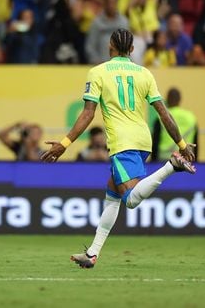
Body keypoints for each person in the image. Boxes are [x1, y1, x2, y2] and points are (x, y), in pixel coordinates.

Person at [41, 29, 196, 269]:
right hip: (143, 141)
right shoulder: (144, 74)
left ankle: (171, 166)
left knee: (131, 200)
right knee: (112, 196)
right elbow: (163, 113)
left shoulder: (98, 72)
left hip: (122, 142)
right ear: (132, 49)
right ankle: (92, 253)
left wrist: (65, 143)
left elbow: (88, 114)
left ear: (109, 45)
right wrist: (183, 144)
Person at [152, 87, 198, 162]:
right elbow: (196, 144)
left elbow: (155, 142)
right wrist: (195, 161)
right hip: (186, 159)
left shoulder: (162, 117)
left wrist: (153, 162)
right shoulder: (191, 117)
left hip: (164, 160)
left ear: (167, 99)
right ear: (180, 99)